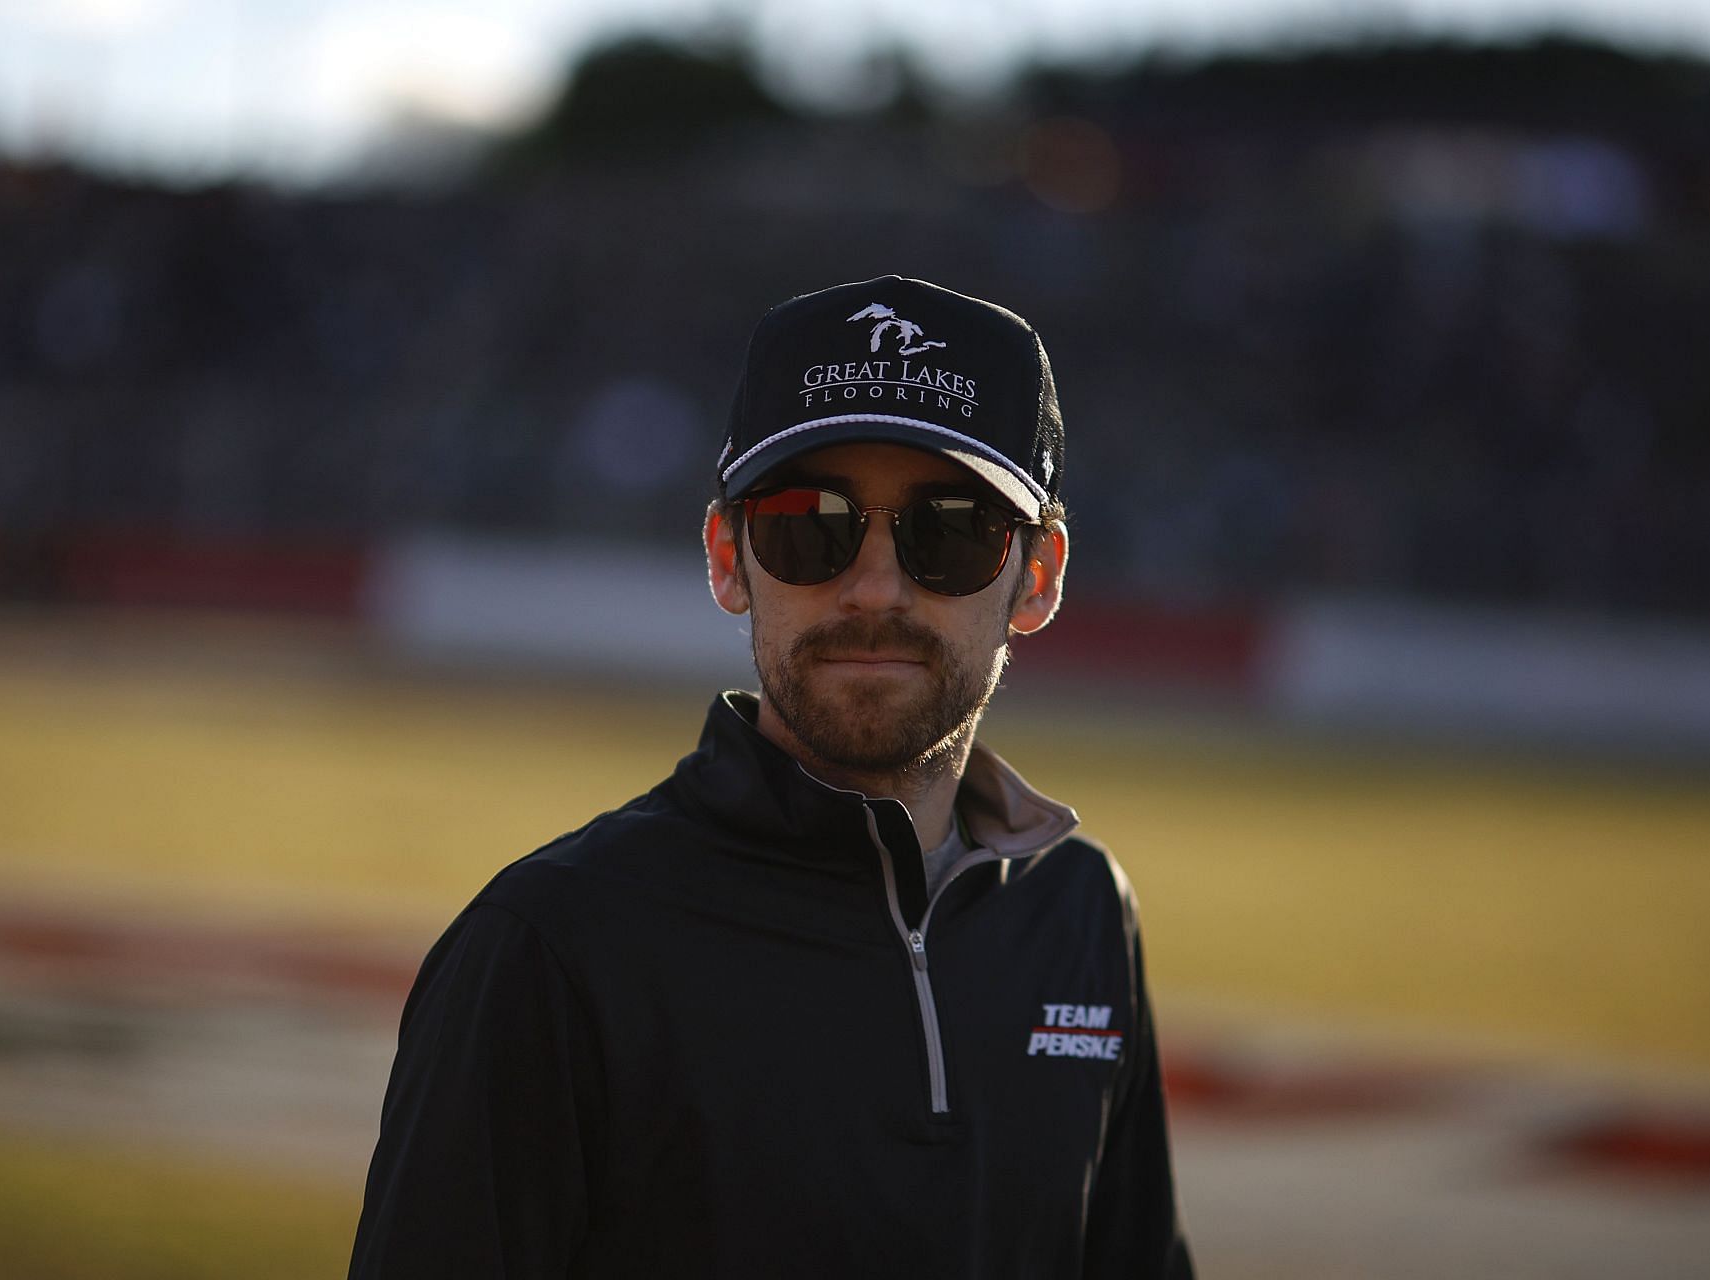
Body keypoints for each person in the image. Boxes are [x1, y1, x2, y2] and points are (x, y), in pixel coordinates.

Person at [349, 276, 1192, 1277]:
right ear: (726, 557)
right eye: (808, 522)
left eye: (954, 527)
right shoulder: (550, 946)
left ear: (1038, 574)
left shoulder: (1085, 912)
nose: (876, 585)